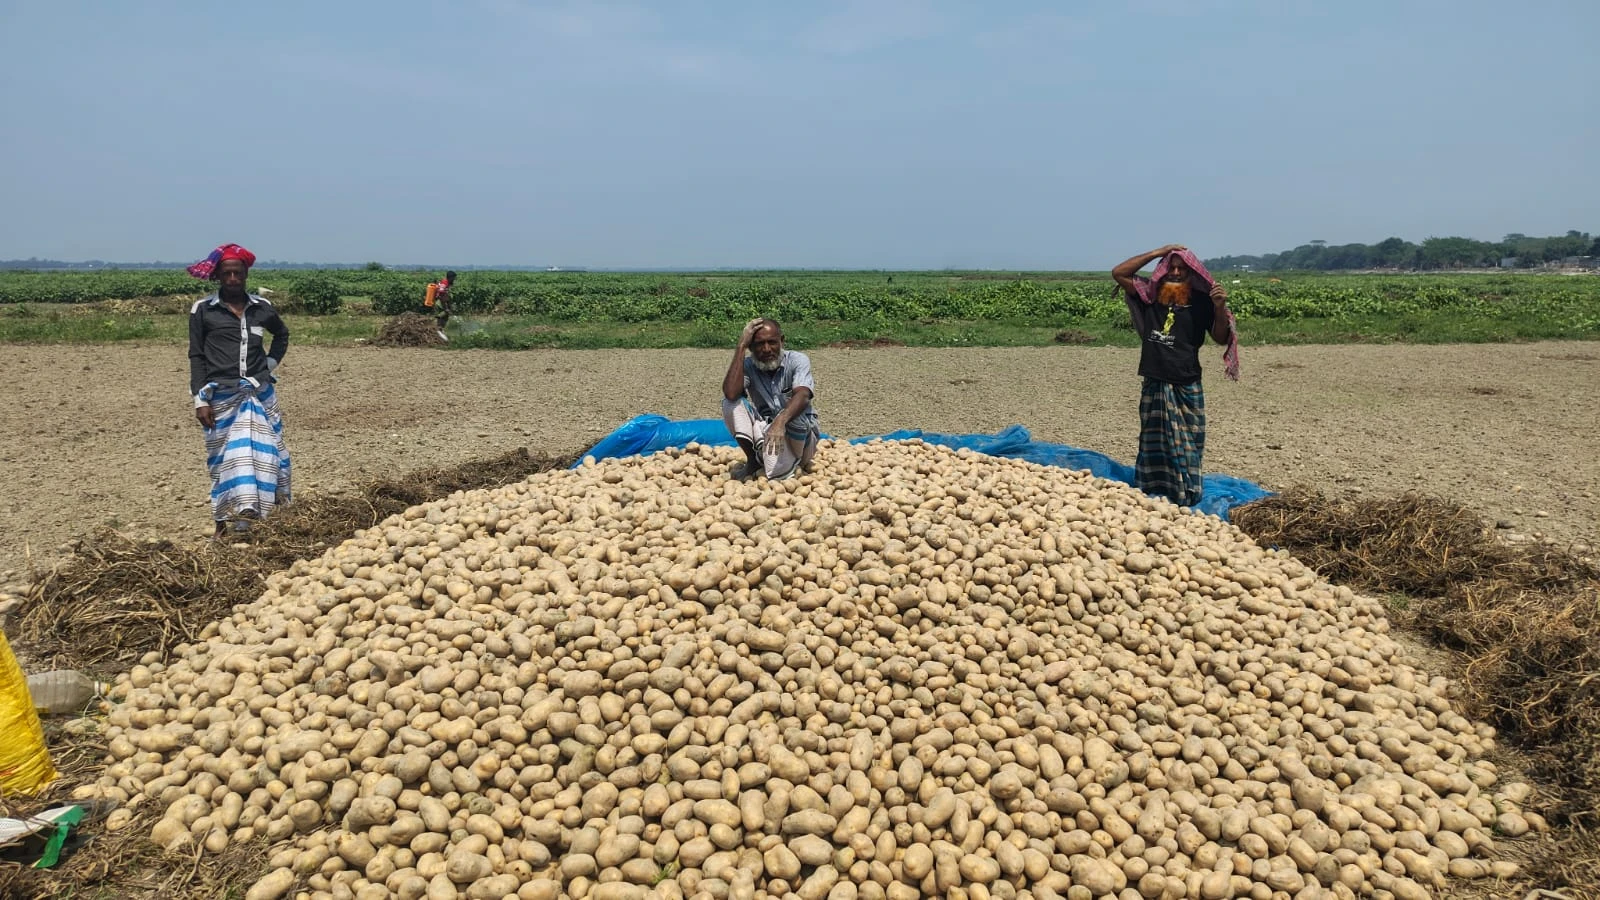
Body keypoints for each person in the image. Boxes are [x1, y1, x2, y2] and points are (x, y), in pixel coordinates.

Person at [1110, 244, 1240, 508]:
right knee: (1153, 439)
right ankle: (1152, 486)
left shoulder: (1203, 302)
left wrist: (1219, 308)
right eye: (1172, 267)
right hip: (1155, 377)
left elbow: (1220, 337)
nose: (1177, 273)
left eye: (1182, 268)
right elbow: (1119, 273)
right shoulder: (1151, 295)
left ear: (1192, 273)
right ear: (1163, 271)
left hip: (1186, 379)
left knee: (1189, 442)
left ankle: (1186, 491)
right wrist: (1159, 252)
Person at [186, 243, 292, 539]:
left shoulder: (262, 308)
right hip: (221, 397)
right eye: (227, 274)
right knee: (223, 460)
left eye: (238, 274)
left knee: (270, 454)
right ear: (218, 276)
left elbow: (282, 335)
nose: (233, 279)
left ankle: (270, 518)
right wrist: (199, 399)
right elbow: (197, 356)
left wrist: (268, 365)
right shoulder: (203, 310)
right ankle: (223, 521)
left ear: (246, 275)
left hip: (259, 394)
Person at [721, 318, 820, 481]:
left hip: (799, 437)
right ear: (751, 347)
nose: (766, 349)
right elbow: (731, 393)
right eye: (759, 344)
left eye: (772, 342)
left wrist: (780, 421)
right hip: (769, 433)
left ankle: (791, 464)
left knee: (796, 411)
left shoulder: (797, 360)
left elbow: (803, 395)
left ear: (782, 341)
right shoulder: (748, 366)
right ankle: (754, 461)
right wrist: (740, 347)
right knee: (730, 404)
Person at [425, 270, 456, 341]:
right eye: (453, 278)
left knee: (445, 316)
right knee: (441, 316)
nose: (454, 280)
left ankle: (440, 331)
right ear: (450, 277)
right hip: (440, 304)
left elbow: (446, 295)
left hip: (443, 303)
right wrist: (446, 307)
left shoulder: (447, 283)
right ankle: (437, 331)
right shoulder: (445, 283)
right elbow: (441, 295)